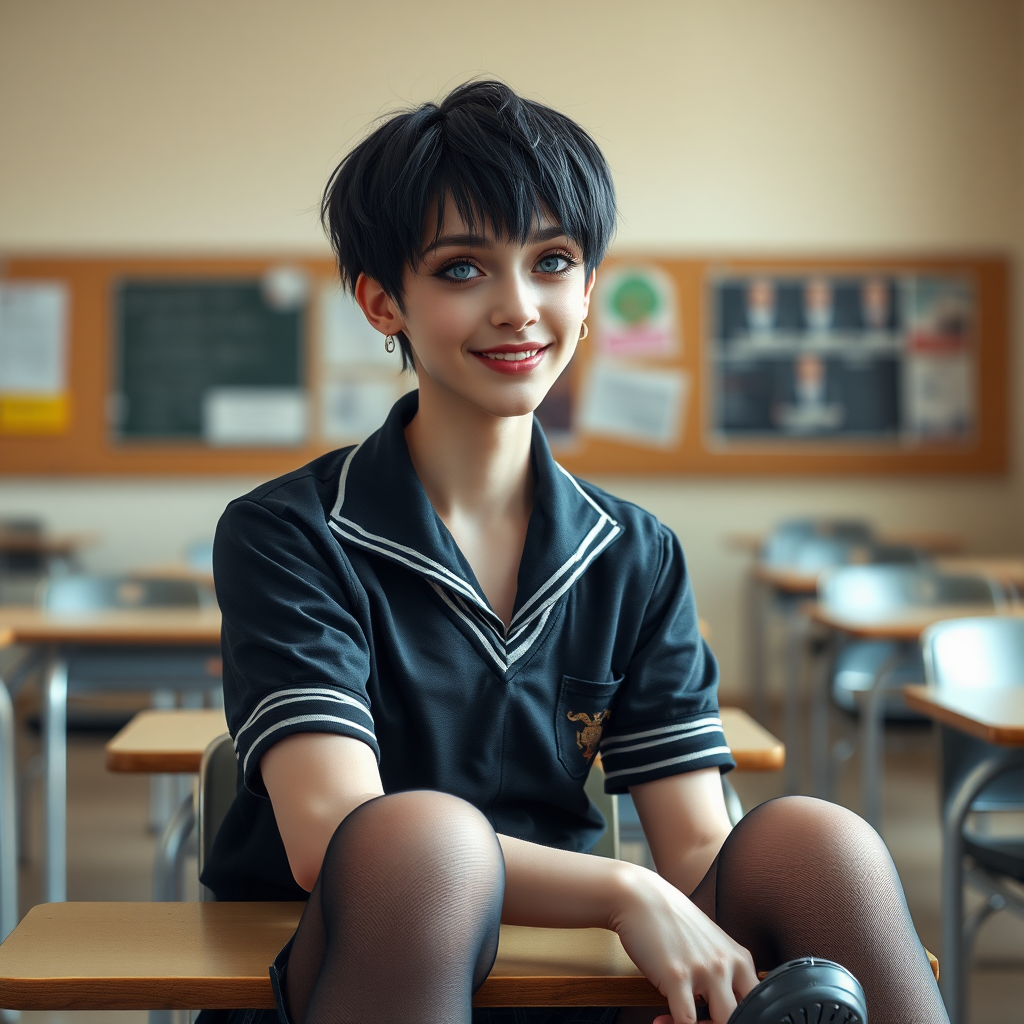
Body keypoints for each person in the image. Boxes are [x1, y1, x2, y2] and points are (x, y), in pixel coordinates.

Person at [198, 81, 948, 1024]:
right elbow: (328, 835)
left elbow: (695, 857)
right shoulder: (290, 532)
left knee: (813, 838)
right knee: (423, 839)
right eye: (463, 269)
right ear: (382, 301)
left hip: (565, 983)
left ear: (590, 292)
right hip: (357, 964)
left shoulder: (634, 553)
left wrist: (659, 894)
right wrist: (620, 892)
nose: (519, 307)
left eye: (552, 261)